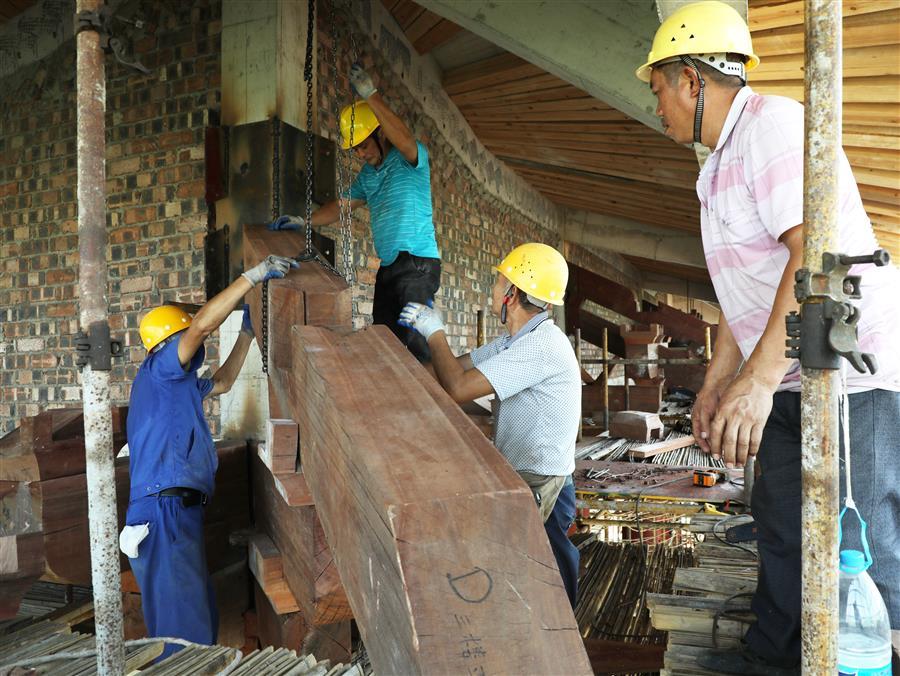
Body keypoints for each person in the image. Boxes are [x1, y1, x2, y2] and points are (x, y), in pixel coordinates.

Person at [637, 2, 900, 673]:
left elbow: (811, 254)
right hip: (788, 365)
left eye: (658, 88)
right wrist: (720, 381)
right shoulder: (714, 169)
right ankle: (777, 660)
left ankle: (873, 660)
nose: (656, 105)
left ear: (692, 80)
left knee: (859, 537)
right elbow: (744, 294)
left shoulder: (772, 127)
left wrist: (754, 383)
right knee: (781, 523)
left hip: (851, 373)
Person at [121, 254, 298, 659]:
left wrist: (247, 336)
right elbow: (201, 325)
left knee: (195, 622)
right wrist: (251, 277)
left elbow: (224, 381)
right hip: (163, 513)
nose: (195, 343)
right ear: (168, 343)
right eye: (186, 337)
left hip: (175, 512)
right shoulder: (160, 369)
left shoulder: (177, 385)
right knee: (184, 636)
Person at [398, 243, 581, 607]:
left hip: (543, 487)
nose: (493, 289)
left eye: (498, 282)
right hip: (522, 478)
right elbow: (448, 372)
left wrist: (435, 333)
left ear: (512, 293)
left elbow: (457, 388)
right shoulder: (511, 343)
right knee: (522, 587)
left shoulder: (542, 345)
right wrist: (399, 367)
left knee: (549, 596)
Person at [269, 64, 441, 364]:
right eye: (355, 150)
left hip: (417, 264)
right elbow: (340, 206)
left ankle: (430, 393)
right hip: (389, 267)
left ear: (380, 134)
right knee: (384, 341)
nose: (360, 154)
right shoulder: (367, 176)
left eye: (363, 146)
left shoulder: (411, 158)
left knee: (417, 343)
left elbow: (403, 137)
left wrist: (371, 95)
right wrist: (304, 221)